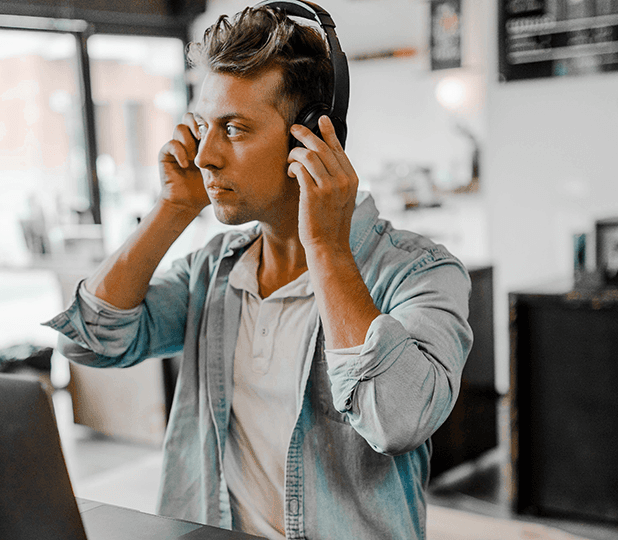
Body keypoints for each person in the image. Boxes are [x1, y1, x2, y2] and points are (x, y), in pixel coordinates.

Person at [45, 3, 472, 539]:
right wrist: (172, 210)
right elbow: (90, 341)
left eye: (235, 130)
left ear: (311, 138)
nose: (205, 156)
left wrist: (327, 248)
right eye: (204, 127)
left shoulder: (420, 273)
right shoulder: (214, 269)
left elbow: (399, 420)